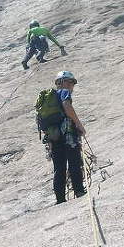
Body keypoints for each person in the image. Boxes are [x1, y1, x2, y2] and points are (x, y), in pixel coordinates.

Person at [45, 71, 87, 204]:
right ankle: (79, 190)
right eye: (69, 82)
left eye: (72, 83)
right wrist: (79, 124)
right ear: (61, 82)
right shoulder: (63, 93)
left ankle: (60, 199)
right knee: (74, 161)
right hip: (68, 133)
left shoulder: (48, 100)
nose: (71, 85)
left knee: (59, 167)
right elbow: (67, 106)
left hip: (54, 136)